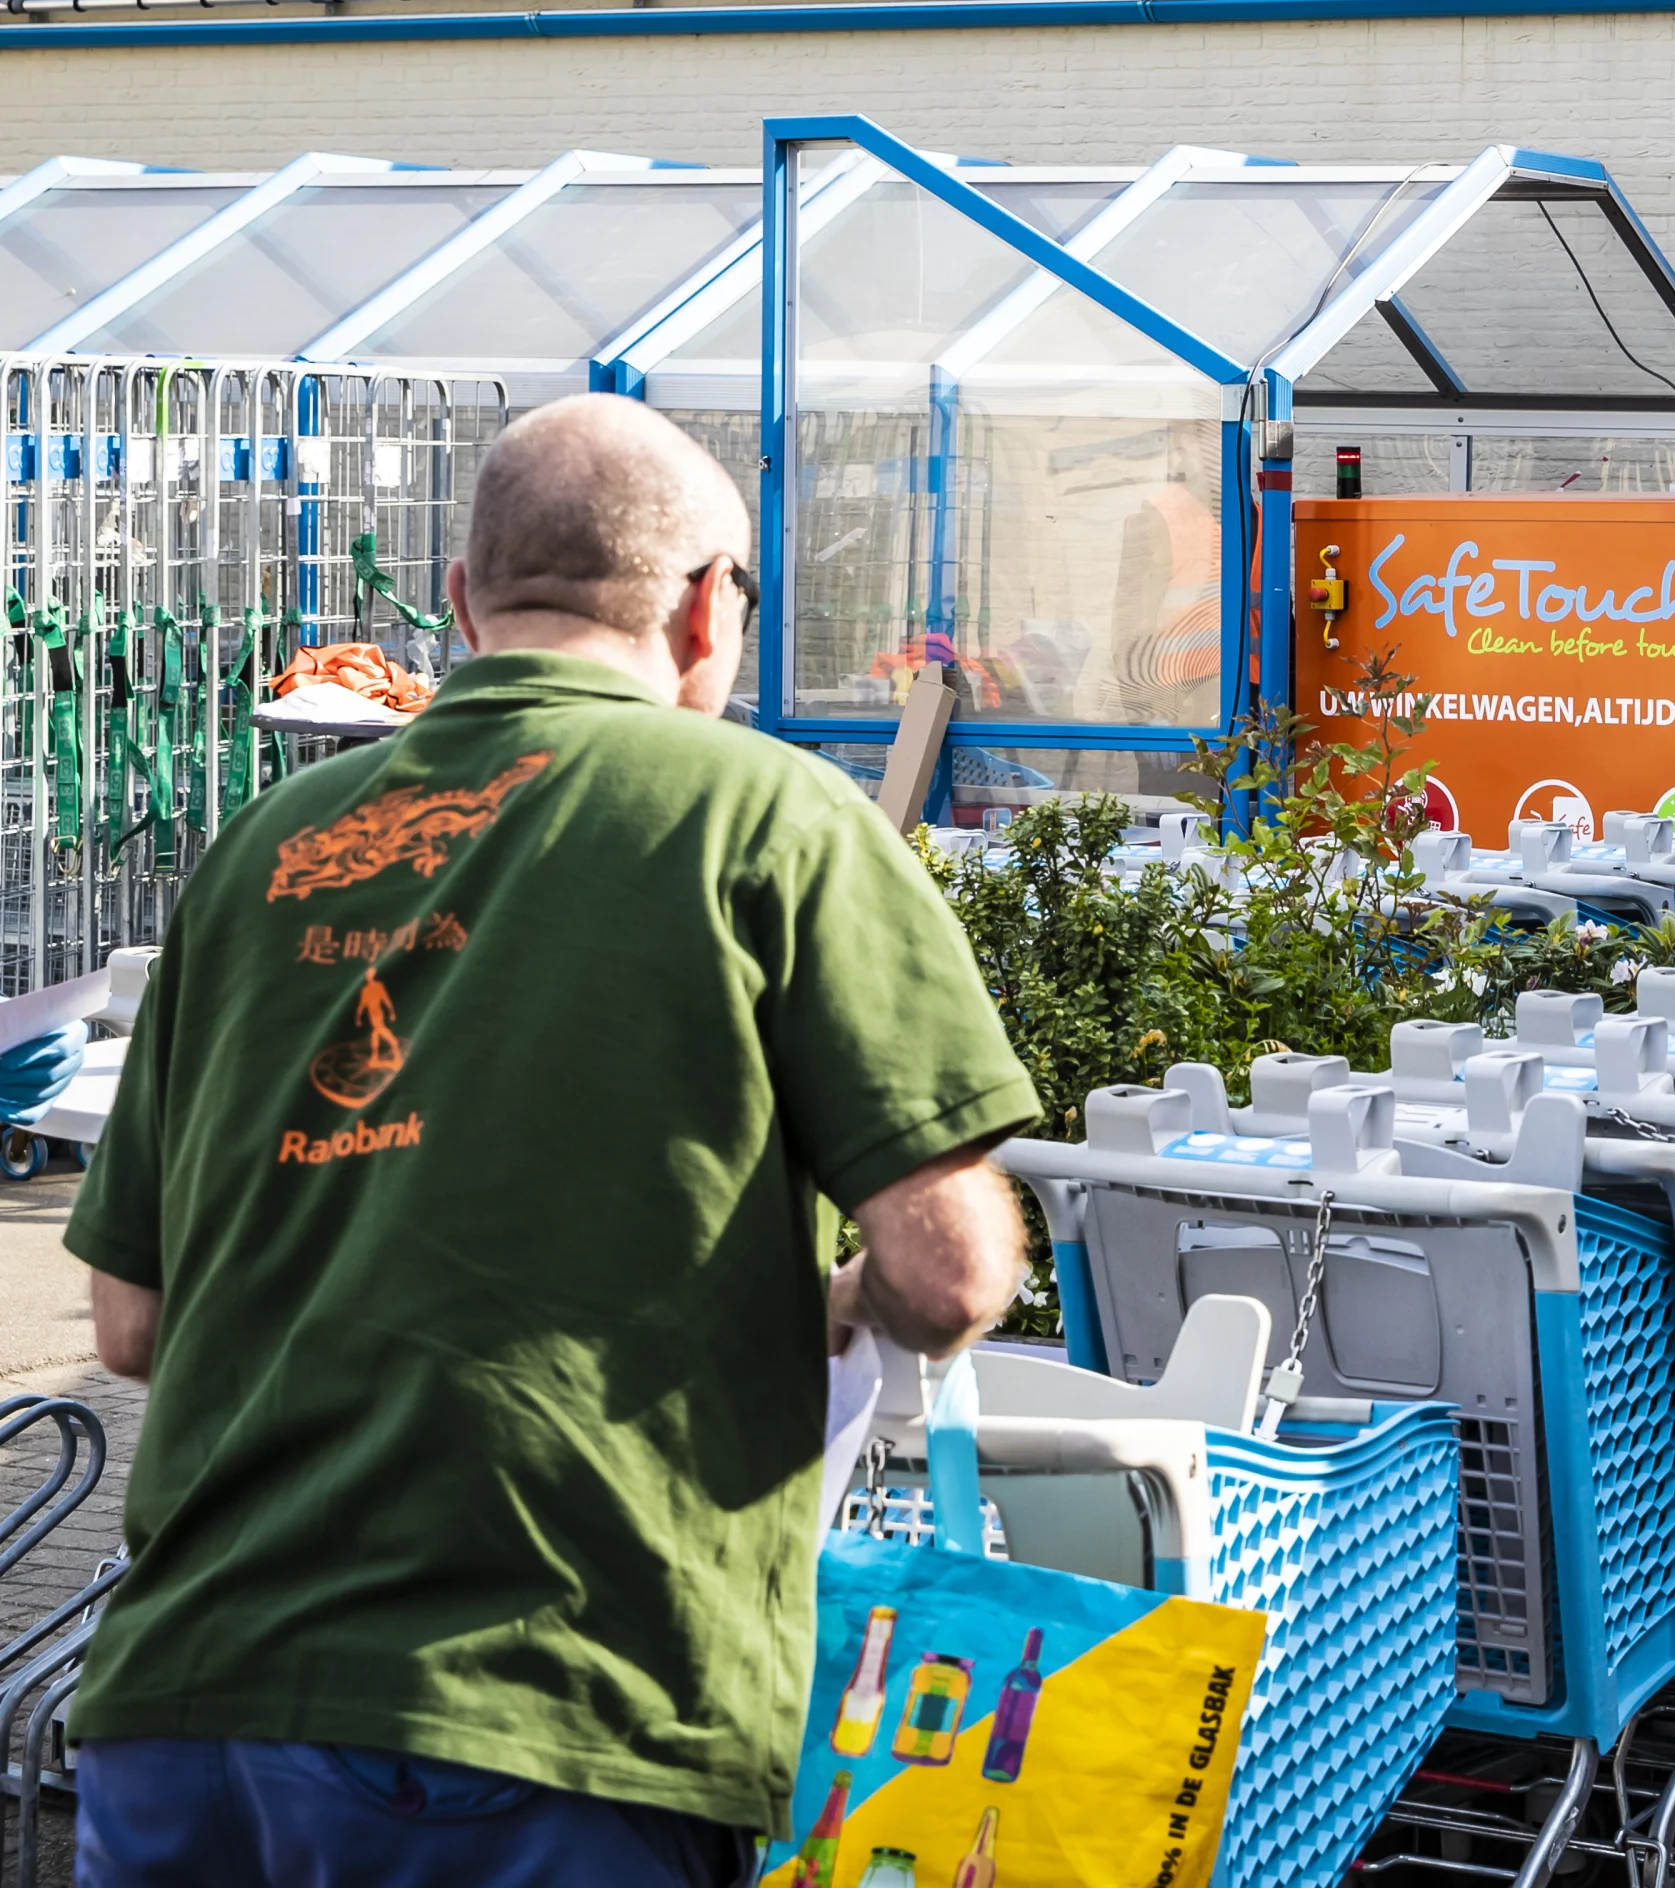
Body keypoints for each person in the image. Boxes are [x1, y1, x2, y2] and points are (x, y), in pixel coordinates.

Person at [66, 394, 1040, 1884]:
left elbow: (131, 1325)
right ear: (708, 608)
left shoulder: (261, 851)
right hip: (546, 1706)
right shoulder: (769, 816)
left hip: (186, 1707)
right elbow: (952, 1275)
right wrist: (839, 1301)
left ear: (463, 604)